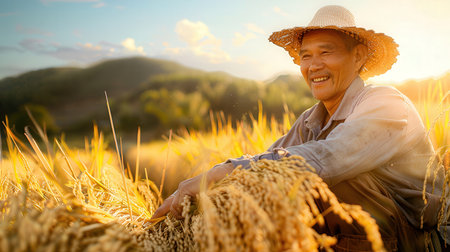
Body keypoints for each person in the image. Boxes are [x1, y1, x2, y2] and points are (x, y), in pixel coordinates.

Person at [152, 5, 448, 251]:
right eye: (306, 55)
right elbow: (267, 161)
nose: (313, 65)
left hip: (412, 239)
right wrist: (188, 199)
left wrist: (221, 171)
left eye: (326, 52)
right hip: (354, 236)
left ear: (357, 57)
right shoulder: (311, 119)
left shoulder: (386, 103)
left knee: (312, 177)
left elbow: (327, 158)